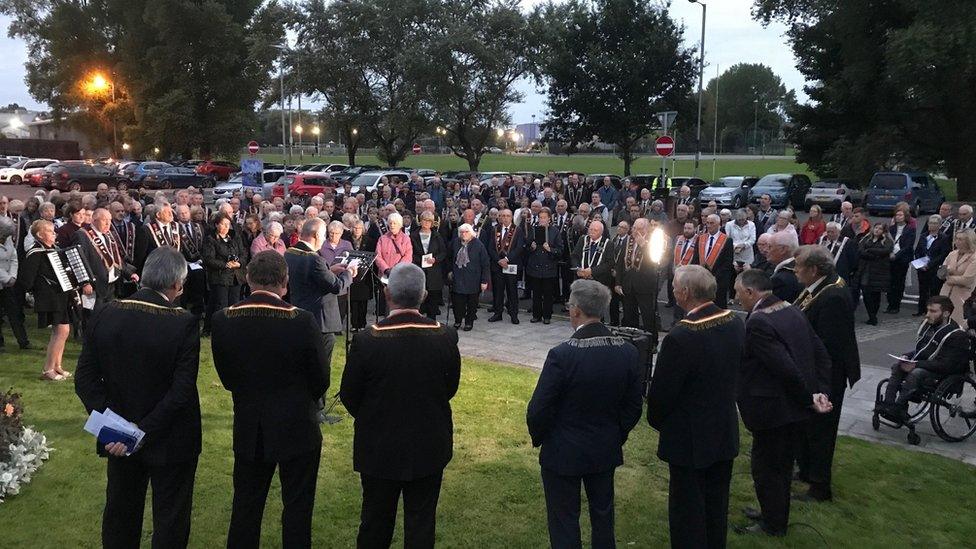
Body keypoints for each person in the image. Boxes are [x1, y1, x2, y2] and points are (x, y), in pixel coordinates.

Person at [74, 247, 201, 549]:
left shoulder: (107, 311)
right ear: (177, 285)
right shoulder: (182, 322)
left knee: (121, 512)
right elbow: (182, 390)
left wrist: (118, 429)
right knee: (169, 517)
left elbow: (85, 380)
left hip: (122, 433)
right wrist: (138, 432)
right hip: (167, 435)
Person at [212, 251, 331, 548]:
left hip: (251, 424)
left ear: (249, 278)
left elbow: (228, 377)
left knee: (246, 507)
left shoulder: (224, 319)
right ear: (285, 281)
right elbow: (321, 378)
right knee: (297, 509)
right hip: (297, 424)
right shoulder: (301, 321)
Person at [340, 263, 461, 549]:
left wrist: (376, 415)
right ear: (422, 296)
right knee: (420, 524)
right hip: (427, 441)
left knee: (375, 522)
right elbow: (448, 389)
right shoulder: (443, 336)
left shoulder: (369, 339)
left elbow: (350, 395)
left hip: (381, 443)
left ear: (387, 293)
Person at [527, 279, 643, 549]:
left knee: (564, 519)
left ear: (576, 310)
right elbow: (633, 405)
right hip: (604, 446)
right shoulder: (626, 352)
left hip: (563, 450)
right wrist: (616, 433)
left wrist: (543, 437)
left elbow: (539, 409)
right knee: (603, 515)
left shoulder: (562, 355)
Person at [648, 265, 743, 549]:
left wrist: (658, 420)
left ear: (685, 293)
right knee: (716, 504)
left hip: (689, 437)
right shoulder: (735, 321)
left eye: (675, 285)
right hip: (723, 427)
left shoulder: (682, 337)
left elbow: (662, 394)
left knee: (687, 510)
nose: (673, 289)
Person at [733, 269, 832, 537]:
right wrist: (820, 391)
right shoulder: (790, 308)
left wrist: (808, 399)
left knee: (768, 469)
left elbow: (784, 367)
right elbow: (819, 350)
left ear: (751, 292)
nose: (736, 297)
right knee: (780, 465)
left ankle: (773, 524)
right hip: (792, 406)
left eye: (738, 292)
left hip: (775, 409)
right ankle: (771, 512)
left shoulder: (759, 322)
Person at [792, 245, 861, 502]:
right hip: (814, 370)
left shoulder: (832, 295)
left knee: (821, 430)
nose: (795, 271)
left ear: (813, 269)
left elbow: (828, 345)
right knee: (807, 427)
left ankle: (820, 486)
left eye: (799, 267)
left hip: (826, 375)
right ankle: (807, 471)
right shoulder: (820, 286)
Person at [879, 295, 970, 423]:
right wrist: (907, 357)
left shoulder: (956, 335)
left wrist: (916, 364)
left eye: (933, 311)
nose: (927, 315)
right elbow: (923, 350)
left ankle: (899, 407)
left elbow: (947, 365)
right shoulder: (929, 326)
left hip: (943, 372)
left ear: (946, 313)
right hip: (927, 364)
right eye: (928, 310)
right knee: (898, 366)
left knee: (916, 373)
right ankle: (888, 405)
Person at [284, 217, 357, 354]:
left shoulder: (289, 253)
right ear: (317, 235)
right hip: (320, 319)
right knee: (321, 366)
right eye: (324, 235)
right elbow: (337, 286)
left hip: (300, 313)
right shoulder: (315, 259)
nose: (324, 239)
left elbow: (309, 277)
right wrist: (349, 271)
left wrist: (330, 270)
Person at [19, 219, 74, 380]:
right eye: (50, 231)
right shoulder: (35, 252)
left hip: (60, 296)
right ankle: (48, 369)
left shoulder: (53, 249)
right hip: (49, 297)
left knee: (64, 331)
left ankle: (57, 365)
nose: (54, 234)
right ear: (40, 235)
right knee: (60, 331)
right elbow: (26, 279)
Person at [73, 208, 139, 308]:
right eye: (104, 220)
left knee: (109, 316)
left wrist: (129, 273)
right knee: (94, 317)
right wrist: (85, 283)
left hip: (113, 285)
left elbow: (116, 258)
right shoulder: (82, 235)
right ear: (94, 220)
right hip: (95, 286)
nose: (108, 223)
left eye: (109, 220)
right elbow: (78, 260)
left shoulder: (109, 234)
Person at [202, 214, 247, 332]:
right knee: (220, 304)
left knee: (234, 302)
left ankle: (233, 328)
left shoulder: (235, 237)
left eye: (228, 224)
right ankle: (218, 329)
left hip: (236, 275)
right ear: (216, 224)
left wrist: (239, 263)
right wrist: (225, 264)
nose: (226, 227)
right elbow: (208, 259)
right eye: (223, 224)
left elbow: (243, 253)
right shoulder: (210, 239)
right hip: (220, 276)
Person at [616, 218, 661, 332]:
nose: (635, 230)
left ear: (646, 229)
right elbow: (620, 262)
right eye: (634, 227)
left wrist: (644, 246)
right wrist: (618, 283)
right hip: (628, 285)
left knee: (648, 316)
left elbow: (655, 262)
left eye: (639, 228)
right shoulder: (628, 240)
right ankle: (632, 341)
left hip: (645, 286)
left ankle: (651, 343)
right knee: (629, 316)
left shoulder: (654, 241)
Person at [484, 209, 524, 324]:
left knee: (512, 291)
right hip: (497, 265)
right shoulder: (494, 230)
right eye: (502, 216)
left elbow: (519, 247)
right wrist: (498, 260)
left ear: (511, 217)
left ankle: (513, 314)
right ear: (499, 217)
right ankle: (498, 313)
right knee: (498, 290)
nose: (505, 218)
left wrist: (506, 259)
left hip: (511, 265)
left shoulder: (517, 230)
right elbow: (490, 247)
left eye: (507, 216)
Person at [448, 223, 490, 331]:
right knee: (457, 303)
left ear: (471, 233)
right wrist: (449, 271)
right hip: (458, 277)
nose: (463, 234)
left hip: (473, 279)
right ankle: (458, 320)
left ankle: (469, 322)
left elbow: (485, 264)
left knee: (472, 304)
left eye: (466, 232)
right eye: (461, 232)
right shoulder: (455, 243)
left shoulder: (478, 245)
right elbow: (449, 258)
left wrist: (484, 280)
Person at [525, 208, 563, 324]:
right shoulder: (533, 230)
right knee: (535, 293)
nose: (541, 220)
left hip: (549, 268)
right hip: (535, 267)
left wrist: (550, 249)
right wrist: (531, 247)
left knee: (547, 294)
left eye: (544, 217)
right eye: (540, 217)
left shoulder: (555, 231)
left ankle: (547, 316)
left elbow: (561, 250)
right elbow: (526, 248)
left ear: (549, 219)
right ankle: (536, 315)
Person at [411, 211, 448, 319]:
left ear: (432, 223)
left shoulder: (437, 235)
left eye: (429, 221)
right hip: (419, 270)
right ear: (420, 221)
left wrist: (435, 259)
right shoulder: (414, 235)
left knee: (432, 300)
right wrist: (420, 260)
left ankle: (432, 322)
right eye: (424, 220)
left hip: (433, 272)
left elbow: (443, 252)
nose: (426, 223)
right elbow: (410, 252)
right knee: (420, 299)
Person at [913, 215, 952, 317]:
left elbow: (943, 254)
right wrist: (919, 263)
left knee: (934, 290)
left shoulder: (943, 238)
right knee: (923, 290)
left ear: (939, 225)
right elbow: (918, 251)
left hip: (934, 268)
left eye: (935, 223)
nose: (932, 225)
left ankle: (932, 311)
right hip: (922, 268)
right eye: (930, 223)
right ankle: (921, 309)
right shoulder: (923, 236)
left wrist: (929, 265)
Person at [693, 214, 735, 309]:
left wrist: (713, 277)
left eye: (712, 223)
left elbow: (727, 263)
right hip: (701, 279)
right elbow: (696, 258)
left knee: (717, 307)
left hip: (718, 280)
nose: (708, 225)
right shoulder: (701, 238)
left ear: (718, 224)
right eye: (707, 223)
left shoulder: (727, 240)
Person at [857, 223, 894, 325]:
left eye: (880, 229)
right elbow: (860, 250)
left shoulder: (887, 241)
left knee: (875, 294)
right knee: (865, 293)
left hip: (879, 271)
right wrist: (872, 254)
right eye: (876, 228)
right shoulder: (866, 238)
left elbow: (885, 251)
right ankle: (871, 315)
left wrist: (870, 250)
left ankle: (873, 317)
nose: (877, 230)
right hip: (866, 269)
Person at [0, 217, 28, 349]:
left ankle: (23, 341)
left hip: (9, 283)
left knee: (15, 312)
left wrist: (12, 276)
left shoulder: (8, 239)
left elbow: (13, 257)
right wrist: (6, 278)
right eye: (4, 235)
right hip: (3, 279)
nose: (6, 238)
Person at [939, 229, 976, 327]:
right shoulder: (952, 254)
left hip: (962, 296)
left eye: (960, 239)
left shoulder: (974, 257)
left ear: (968, 241)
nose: (957, 242)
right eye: (956, 239)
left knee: (958, 325)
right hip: (945, 293)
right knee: (941, 322)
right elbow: (941, 273)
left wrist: (949, 276)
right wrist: (950, 273)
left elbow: (967, 280)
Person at [886, 208, 916, 314]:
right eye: (897, 215)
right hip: (890, 258)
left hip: (902, 259)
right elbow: (887, 242)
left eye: (900, 215)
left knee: (899, 282)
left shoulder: (910, 229)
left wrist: (896, 255)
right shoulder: (891, 228)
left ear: (905, 217)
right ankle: (890, 304)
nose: (898, 217)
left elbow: (908, 246)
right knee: (890, 282)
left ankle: (896, 305)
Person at [767, 230, 802, 303]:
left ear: (783, 249)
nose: (766, 250)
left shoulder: (781, 279)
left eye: (770, 247)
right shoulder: (800, 268)